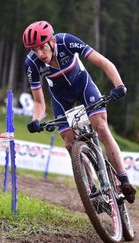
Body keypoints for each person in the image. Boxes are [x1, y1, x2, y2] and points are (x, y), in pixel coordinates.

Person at [22, 20, 136, 203]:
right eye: (34, 50)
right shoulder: (32, 64)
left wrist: (119, 85)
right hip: (61, 99)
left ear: (51, 41)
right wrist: (35, 119)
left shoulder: (66, 41)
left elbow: (103, 62)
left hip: (84, 88)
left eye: (42, 47)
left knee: (101, 127)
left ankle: (123, 179)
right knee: (69, 143)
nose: (39, 54)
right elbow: (38, 101)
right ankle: (90, 188)